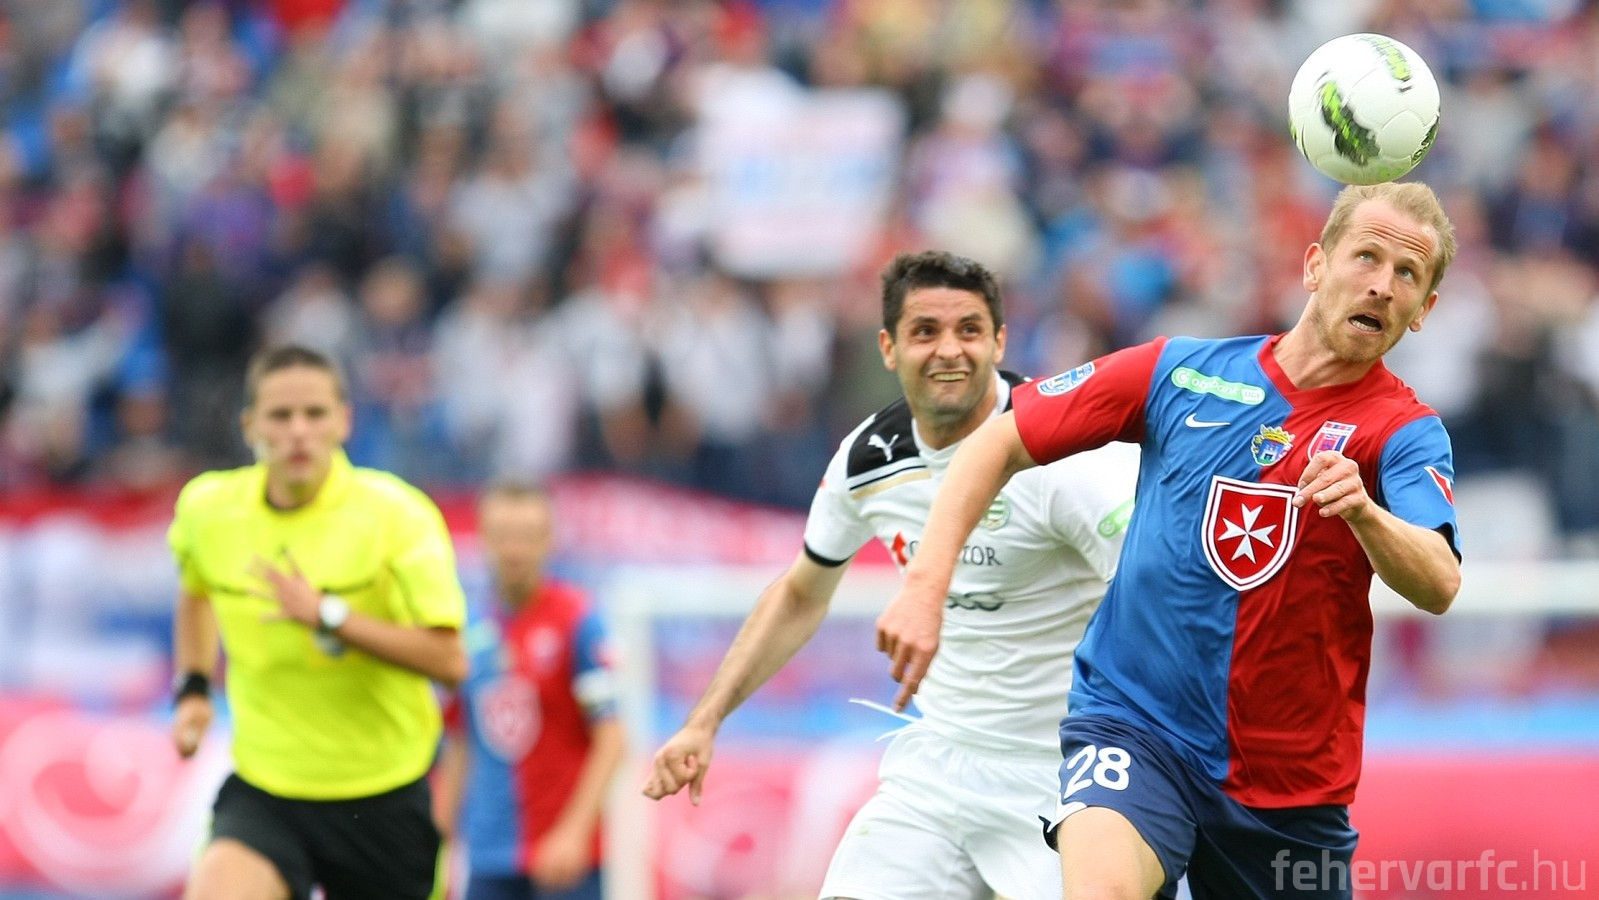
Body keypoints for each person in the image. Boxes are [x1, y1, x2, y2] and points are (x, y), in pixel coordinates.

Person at [877, 182, 1463, 900]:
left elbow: (1439, 581)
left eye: (1407, 274)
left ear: (1423, 309)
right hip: (1135, 728)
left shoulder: (1405, 432)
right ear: (1315, 265)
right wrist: (925, 584)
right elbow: (996, 441)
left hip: (1289, 785)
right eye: (1366, 257)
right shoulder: (1179, 371)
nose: (1381, 284)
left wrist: (1366, 515)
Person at [643, 250, 1141, 900]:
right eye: (925, 331)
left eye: (968, 330)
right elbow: (800, 594)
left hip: (1062, 770)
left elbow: (1153, 593)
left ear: (999, 342)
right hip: (939, 766)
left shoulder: (1066, 454)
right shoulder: (868, 458)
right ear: (888, 347)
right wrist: (705, 720)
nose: (948, 350)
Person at [168, 343, 468, 900]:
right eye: (281, 416)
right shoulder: (207, 511)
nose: (298, 432)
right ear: (249, 426)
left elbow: (450, 662)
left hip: (383, 794)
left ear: (344, 421)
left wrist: (330, 616)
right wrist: (193, 688)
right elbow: (196, 592)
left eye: (315, 414)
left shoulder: (398, 515)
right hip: (266, 789)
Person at [435, 483, 626, 900]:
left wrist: (574, 832)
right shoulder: (467, 630)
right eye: (502, 535)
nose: (514, 549)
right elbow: (461, 742)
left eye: (526, 535)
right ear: (483, 539)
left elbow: (611, 739)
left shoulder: (579, 620)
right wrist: (440, 836)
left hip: (563, 860)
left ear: (548, 539)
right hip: (489, 856)